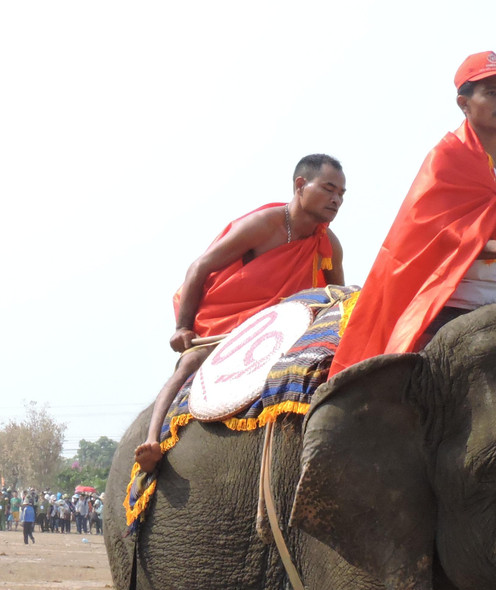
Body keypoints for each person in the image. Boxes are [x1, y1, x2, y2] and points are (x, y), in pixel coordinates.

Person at [330, 50, 496, 375]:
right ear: (463, 103)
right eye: (492, 93)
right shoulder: (446, 158)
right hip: (455, 300)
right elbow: (430, 237)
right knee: (400, 392)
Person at [134, 155, 348, 473]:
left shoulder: (328, 244)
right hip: (233, 327)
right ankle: (152, 441)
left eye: (342, 194)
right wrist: (183, 326)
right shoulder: (264, 225)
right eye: (329, 188)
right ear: (300, 185)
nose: (336, 199)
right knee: (191, 363)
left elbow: (336, 297)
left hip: (287, 329)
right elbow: (200, 267)